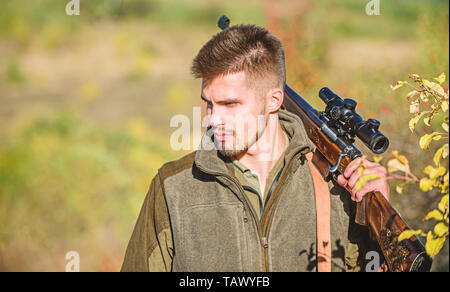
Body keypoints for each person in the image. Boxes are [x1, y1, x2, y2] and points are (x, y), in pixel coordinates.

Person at [121, 24, 390, 272]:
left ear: (273, 100)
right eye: (209, 103)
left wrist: (382, 219)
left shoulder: (339, 186)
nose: (212, 119)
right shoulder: (173, 187)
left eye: (230, 104)